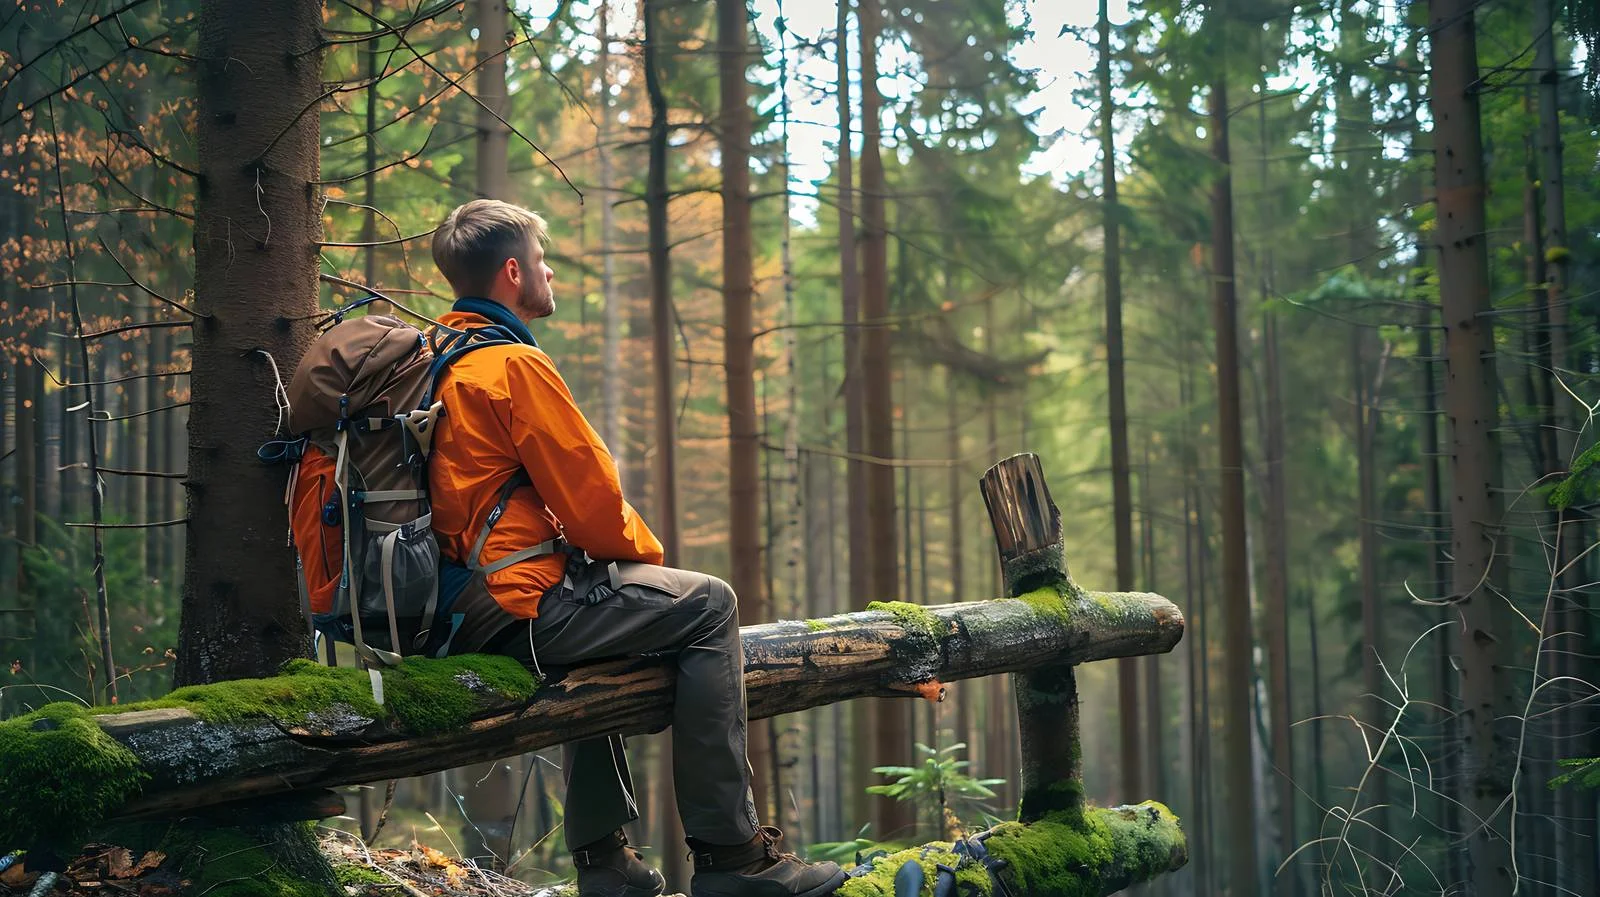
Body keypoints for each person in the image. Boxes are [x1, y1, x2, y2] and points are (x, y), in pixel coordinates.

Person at [423, 199, 848, 897]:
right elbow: (593, 507)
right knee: (710, 604)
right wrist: (644, 560)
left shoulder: (437, 360)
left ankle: (607, 865)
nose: (548, 269)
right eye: (539, 259)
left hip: (447, 616)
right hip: (513, 610)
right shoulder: (512, 367)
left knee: (607, 611)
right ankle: (732, 857)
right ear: (510, 272)